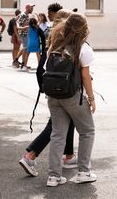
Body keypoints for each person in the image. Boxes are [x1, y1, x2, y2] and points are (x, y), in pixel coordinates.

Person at [19, 8, 77, 178]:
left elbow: (41, 67)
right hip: (63, 88)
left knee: (67, 120)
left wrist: (45, 88)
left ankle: (68, 155)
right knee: (55, 125)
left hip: (52, 86)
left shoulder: (52, 36)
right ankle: (30, 156)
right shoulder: (65, 39)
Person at [46, 13, 96, 187]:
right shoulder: (83, 48)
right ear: (83, 29)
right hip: (72, 96)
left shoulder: (55, 44)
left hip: (53, 95)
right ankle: (83, 172)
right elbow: (85, 76)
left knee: (57, 135)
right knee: (87, 131)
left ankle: (53, 176)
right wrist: (91, 98)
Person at [17, 3, 35, 71]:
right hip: (24, 33)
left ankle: (24, 64)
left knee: (25, 48)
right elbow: (20, 24)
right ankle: (24, 65)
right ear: (27, 8)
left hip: (26, 33)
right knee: (26, 48)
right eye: (31, 7)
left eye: (32, 7)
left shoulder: (26, 15)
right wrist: (29, 22)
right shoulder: (23, 15)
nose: (32, 9)